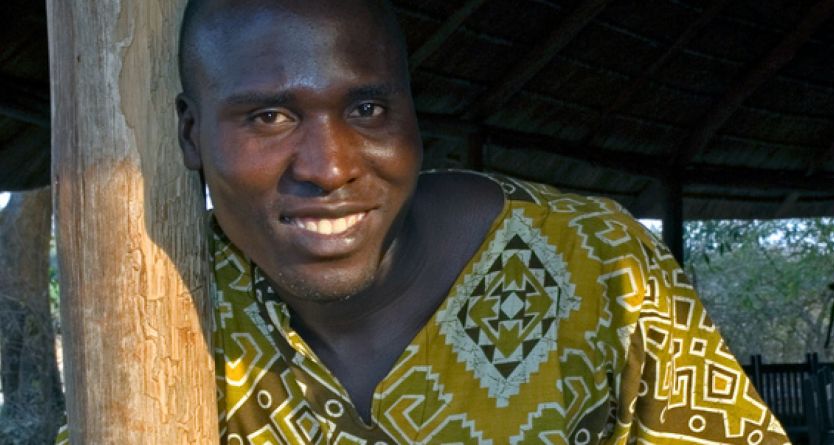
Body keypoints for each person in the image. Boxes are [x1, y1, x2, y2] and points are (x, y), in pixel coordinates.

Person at [62, 1, 791, 443]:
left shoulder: (599, 265)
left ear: (412, 117)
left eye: (366, 108)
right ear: (191, 134)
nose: (329, 167)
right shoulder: (169, 305)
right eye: (270, 117)